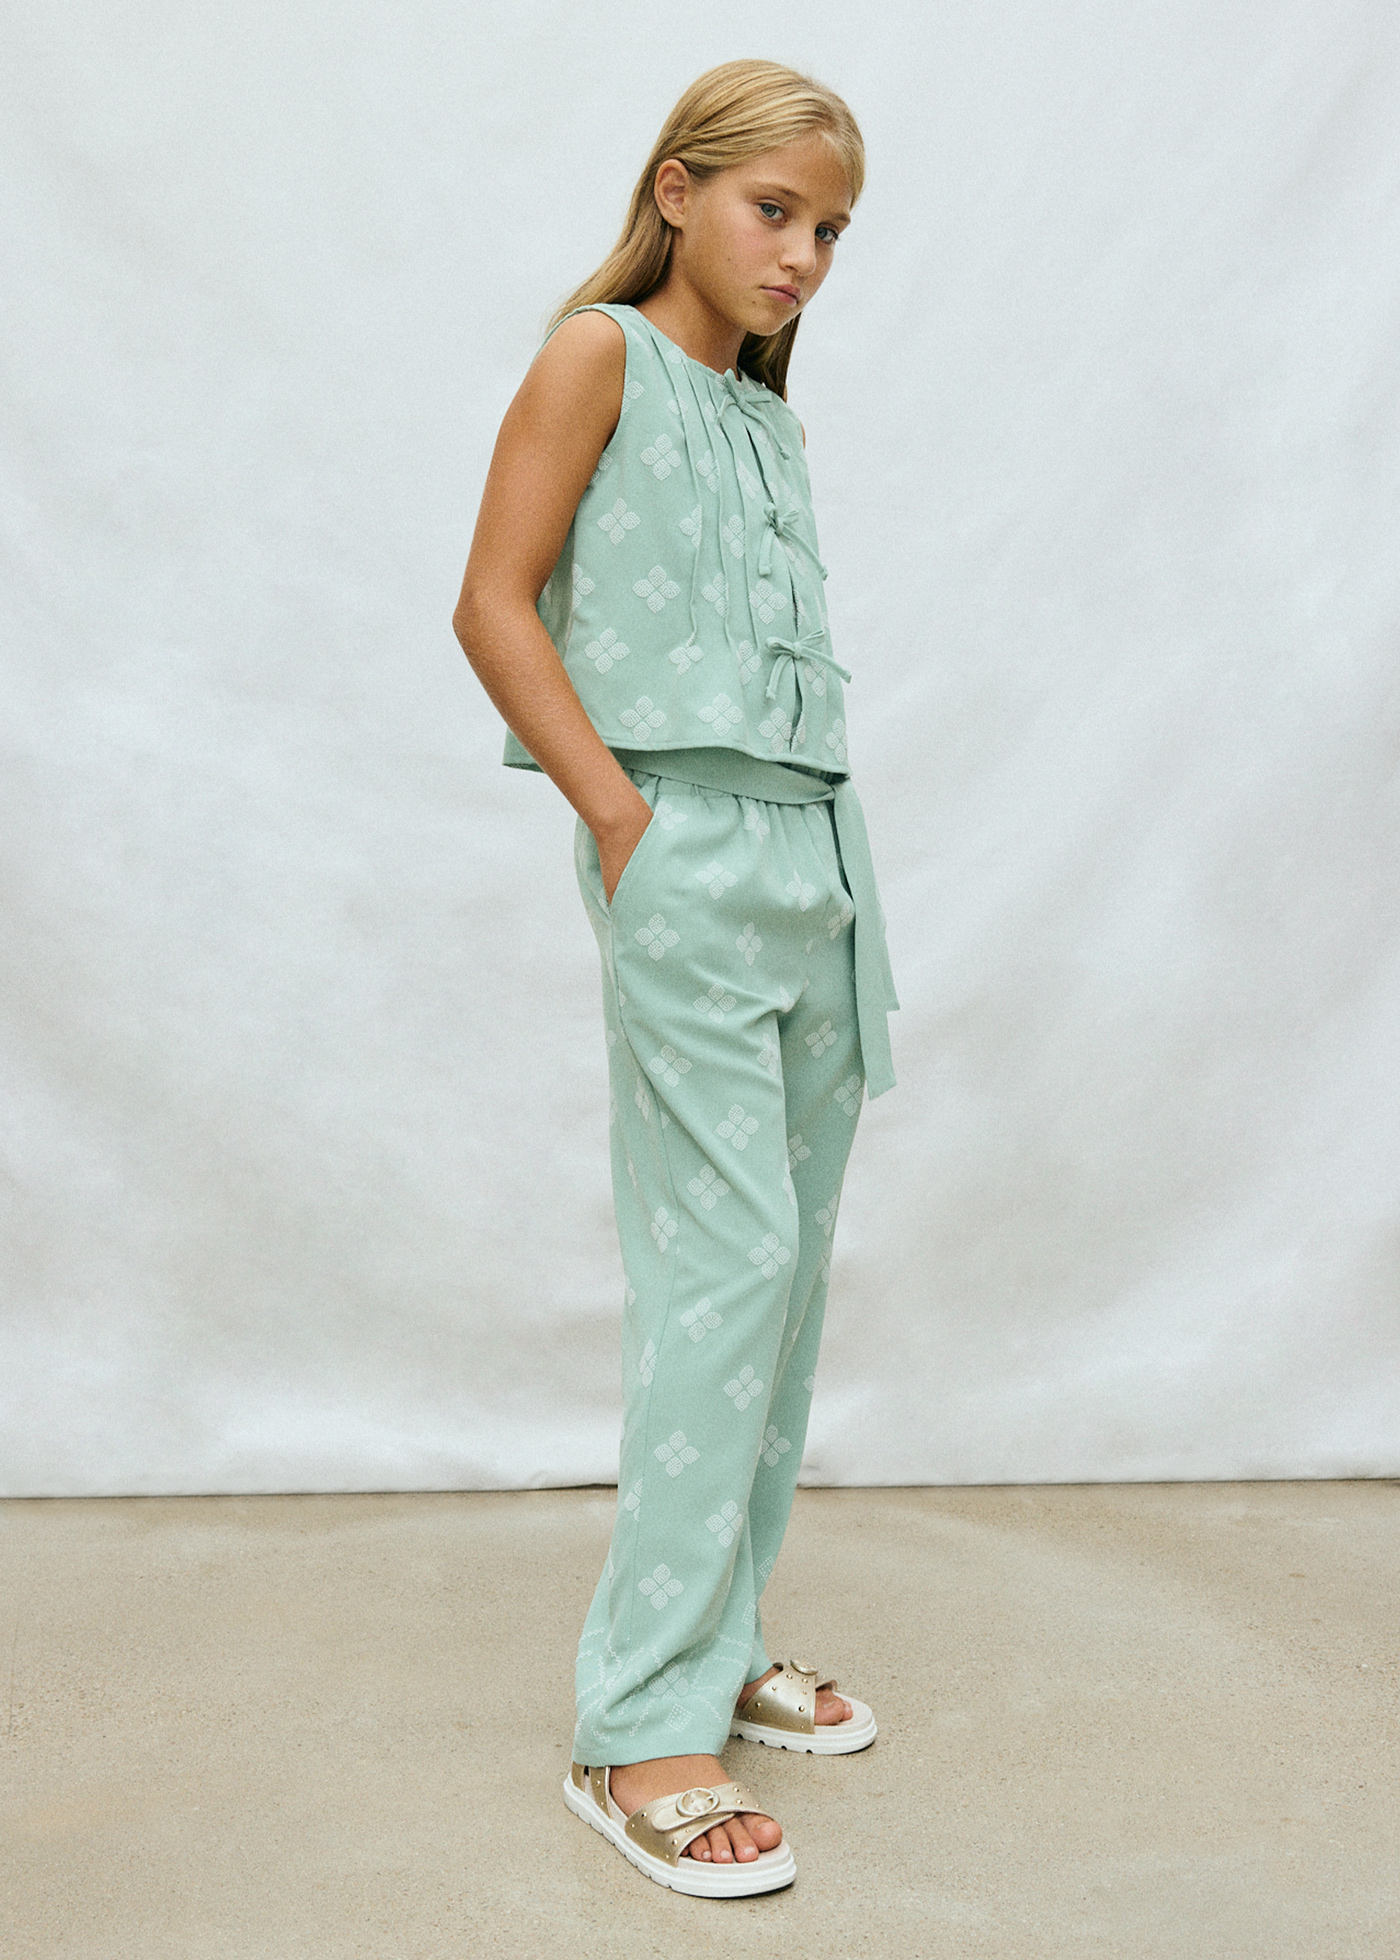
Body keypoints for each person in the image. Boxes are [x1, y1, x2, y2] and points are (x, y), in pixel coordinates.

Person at [453, 58, 898, 1898]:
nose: (802, 257)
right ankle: (638, 1722)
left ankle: (719, 1638)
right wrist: (624, 821)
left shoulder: (767, 418)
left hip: (820, 860)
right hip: (691, 850)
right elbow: (492, 599)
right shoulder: (601, 357)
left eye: (832, 232)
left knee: (784, 1279)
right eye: (774, 210)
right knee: (727, 1266)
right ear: (678, 189)